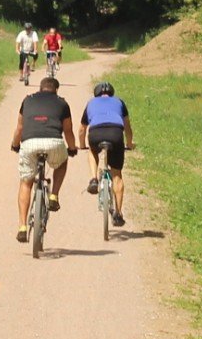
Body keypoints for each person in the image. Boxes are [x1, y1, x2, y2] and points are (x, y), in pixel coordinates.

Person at [9, 74, 75, 242]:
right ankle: (54, 196)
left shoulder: (27, 100)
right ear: (56, 90)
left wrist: (15, 145)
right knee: (62, 162)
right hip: (54, 142)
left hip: (29, 143)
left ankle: (22, 227)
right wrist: (72, 148)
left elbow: (20, 127)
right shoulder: (62, 103)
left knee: (26, 183)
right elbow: (68, 130)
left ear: (40, 88)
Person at [80, 78, 134, 228]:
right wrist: (129, 144)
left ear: (96, 93)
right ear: (112, 93)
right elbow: (127, 127)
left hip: (96, 133)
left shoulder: (91, 103)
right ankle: (118, 213)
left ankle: (93, 179)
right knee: (117, 175)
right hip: (116, 133)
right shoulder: (119, 102)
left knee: (92, 150)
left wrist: (82, 145)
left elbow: (82, 129)